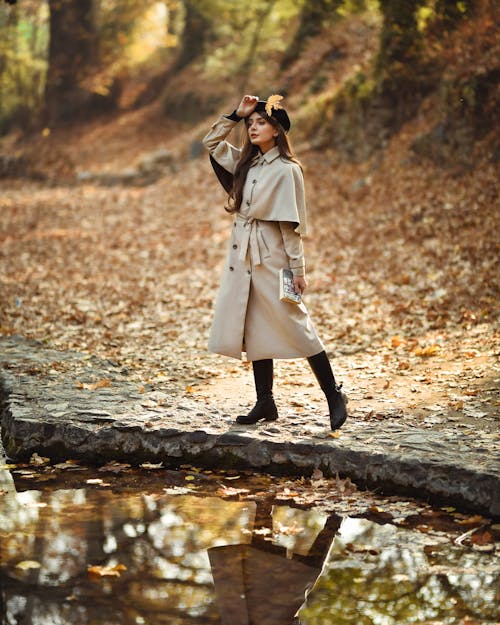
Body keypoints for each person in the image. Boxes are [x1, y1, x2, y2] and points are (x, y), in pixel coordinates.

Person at [202, 94, 347, 430]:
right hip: (243, 254)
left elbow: (291, 226)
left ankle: (333, 394)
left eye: (260, 122)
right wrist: (235, 115)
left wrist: (298, 271)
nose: (253, 128)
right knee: (252, 325)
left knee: (297, 323)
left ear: (277, 130)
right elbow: (211, 142)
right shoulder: (247, 163)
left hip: (274, 257)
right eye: (250, 124)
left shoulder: (288, 171)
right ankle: (265, 401)